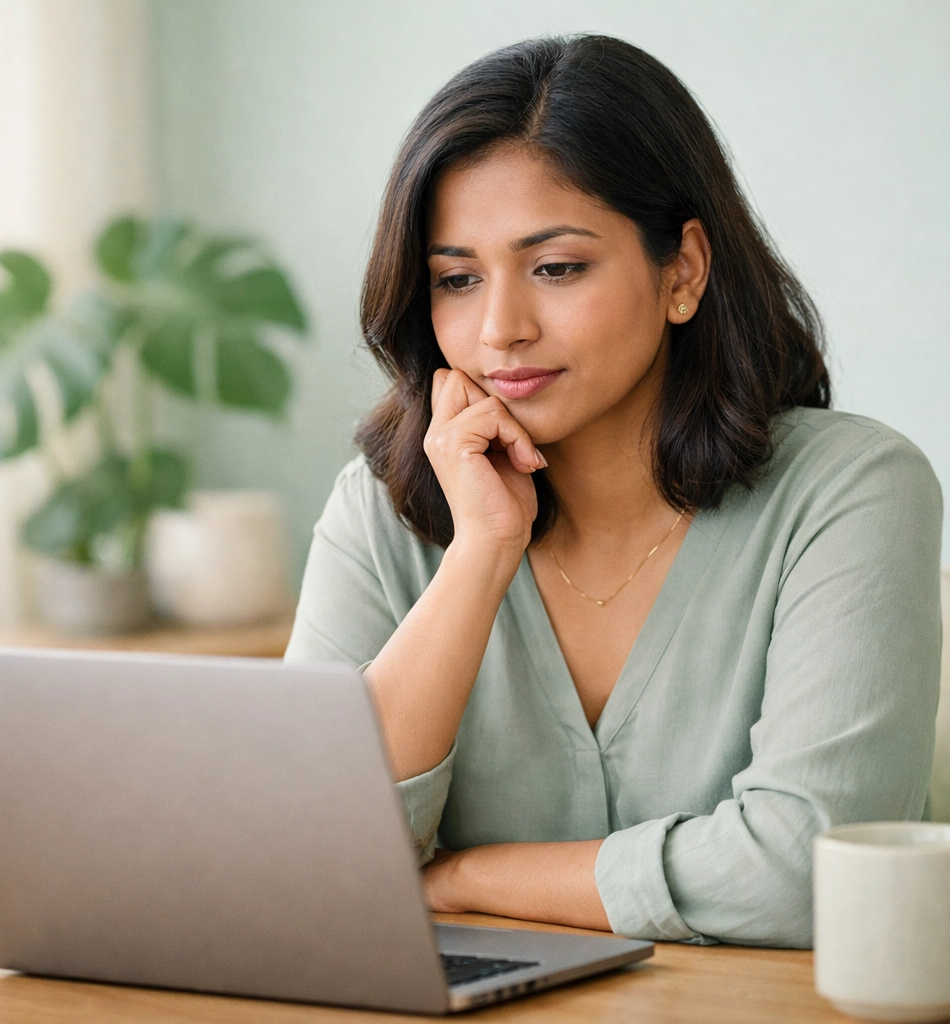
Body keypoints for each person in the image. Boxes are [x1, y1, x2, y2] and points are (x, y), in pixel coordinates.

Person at [285, 35, 942, 947]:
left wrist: (468, 877)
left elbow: (804, 873)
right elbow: (301, 859)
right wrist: (479, 556)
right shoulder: (379, 509)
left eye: (556, 268)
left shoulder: (853, 492)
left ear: (682, 271)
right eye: (457, 279)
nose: (500, 329)